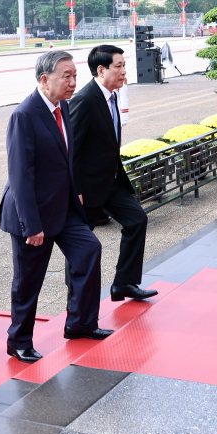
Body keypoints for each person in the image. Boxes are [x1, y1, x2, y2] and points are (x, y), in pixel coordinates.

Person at [0, 50, 110, 365]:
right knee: (28, 280)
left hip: (65, 206)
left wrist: (79, 194)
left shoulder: (65, 108)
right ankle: (18, 341)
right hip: (31, 212)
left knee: (89, 250)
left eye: (75, 76)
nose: (74, 82)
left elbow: (69, 159)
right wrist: (31, 226)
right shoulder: (24, 115)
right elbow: (20, 176)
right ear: (45, 80)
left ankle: (80, 323)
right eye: (67, 76)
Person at [68, 45, 155, 302]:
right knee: (81, 245)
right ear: (101, 69)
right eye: (118, 66)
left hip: (112, 181)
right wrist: (77, 191)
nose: (124, 71)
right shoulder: (84, 100)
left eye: (124, 66)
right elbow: (72, 151)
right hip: (88, 187)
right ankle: (75, 303)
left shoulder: (112, 95)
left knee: (137, 220)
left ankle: (124, 284)